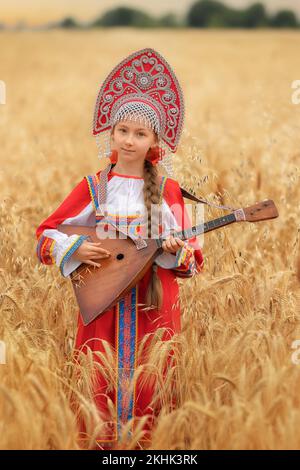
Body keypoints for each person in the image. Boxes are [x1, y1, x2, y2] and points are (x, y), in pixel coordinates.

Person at [35, 48, 204, 450]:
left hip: (154, 307)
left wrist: (173, 250)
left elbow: (192, 259)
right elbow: (44, 236)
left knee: (152, 382)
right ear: (110, 134)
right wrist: (76, 248)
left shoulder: (167, 192)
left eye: (140, 134)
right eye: (122, 131)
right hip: (102, 309)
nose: (129, 140)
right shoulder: (93, 188)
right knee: (97, 386)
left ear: (155, 142)